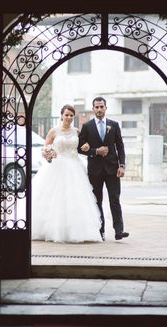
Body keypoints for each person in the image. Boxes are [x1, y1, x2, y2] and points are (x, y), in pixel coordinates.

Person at [31, 104, 103, 243]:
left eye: (71, 115)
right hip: (56, 166)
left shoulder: (77, 131)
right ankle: (50, 229)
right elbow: (45, 146)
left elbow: (84, 145)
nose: (69, 118)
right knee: (54, 197)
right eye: (67, 115)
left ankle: (74, 230)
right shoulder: (54, 131)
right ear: (62, 115)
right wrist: (48, 152)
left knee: (74, 199)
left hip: (74, 166)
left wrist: (87, 146)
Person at [78, 96, 129, 241]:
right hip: (95, 170)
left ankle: (119, 231)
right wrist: (95, 151)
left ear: (106, 108)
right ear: (93, 108)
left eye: (102, 106)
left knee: (114, 199)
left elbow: (120, 146)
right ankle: (100, 231)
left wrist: (122, 165)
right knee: (97, 201)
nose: (99, 109)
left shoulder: (114, 125)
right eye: (97, 107)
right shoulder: (87, 126)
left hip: (113, 169)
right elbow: (80, 148)